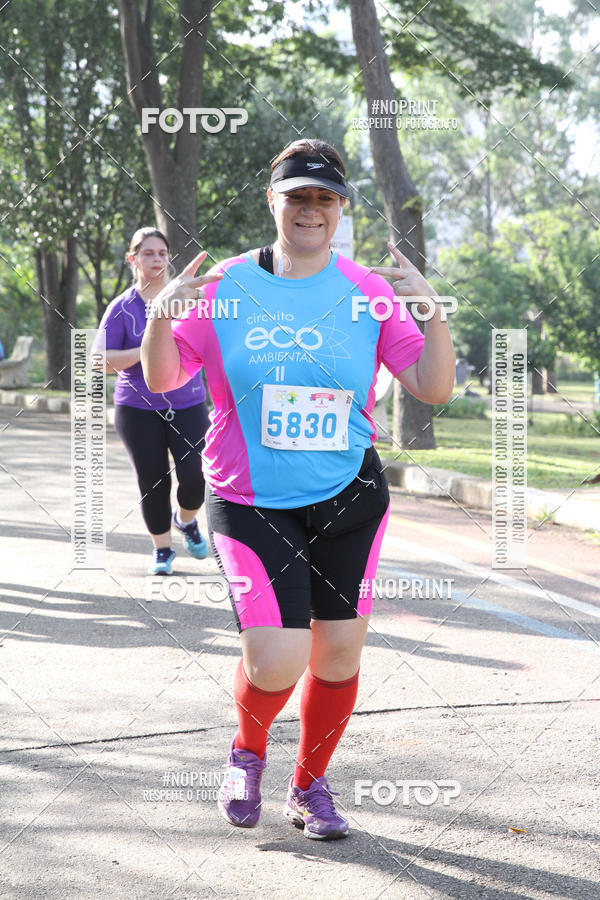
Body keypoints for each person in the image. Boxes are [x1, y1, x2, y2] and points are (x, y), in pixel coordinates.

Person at [141, 139, 455, 839]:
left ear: (340, 209)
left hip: (347, 495)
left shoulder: (368, 292)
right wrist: (163, 314)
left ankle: (310, 787)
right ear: (272, 201)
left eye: (325, 198)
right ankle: (246, 753)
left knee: (340, 653)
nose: (310, 209)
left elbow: (432, 386)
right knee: (277, 657)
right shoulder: (224, 285)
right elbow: (164, 380)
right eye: (297, 196)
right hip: (250, 498)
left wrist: (431, 309)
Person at [95, 227, 210, 575]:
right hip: (137, 410)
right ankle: (162, 551)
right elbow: (99, 361)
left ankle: (185, 519)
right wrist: (146, 350)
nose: (157, 259)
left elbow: (209, 343)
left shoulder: (189, 299)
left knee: (197, 476)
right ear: (133, 259)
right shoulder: (122, 308)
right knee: (153, 480)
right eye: (148, 253)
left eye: (162, 253)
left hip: (188, 404)